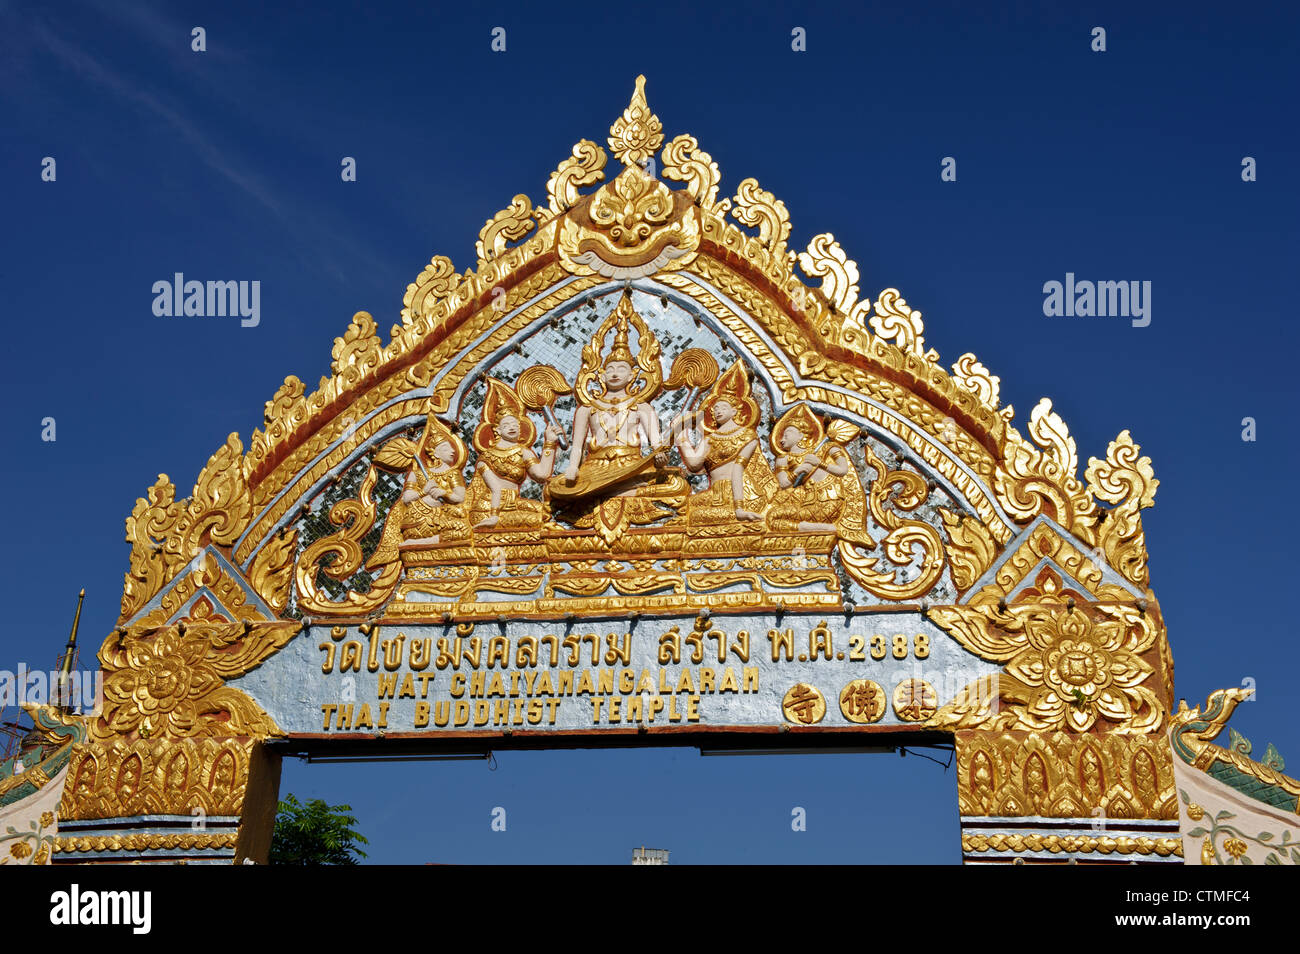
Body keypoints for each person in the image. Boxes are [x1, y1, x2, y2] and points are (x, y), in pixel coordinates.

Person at [468, 380, 560, 530]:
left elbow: (542, 475)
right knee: (538, 521)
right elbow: (496, 488)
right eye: (506, 425)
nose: (511, 428)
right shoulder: (487, 457)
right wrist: (494, 516)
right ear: (497, 430)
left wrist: (549, 443)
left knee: (544, 512)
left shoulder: (523, 451)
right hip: (489, 508)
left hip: (513, 503)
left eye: (514, 425)